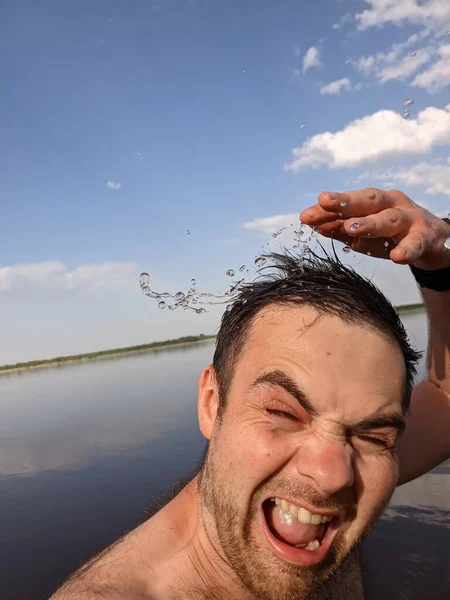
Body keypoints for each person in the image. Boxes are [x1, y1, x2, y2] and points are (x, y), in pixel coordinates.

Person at [51, 188, 450, 600]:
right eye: (284, 413)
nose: (333, 476)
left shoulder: (356, 480)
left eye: (372, 436)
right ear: (211, 402)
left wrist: (437, 263)